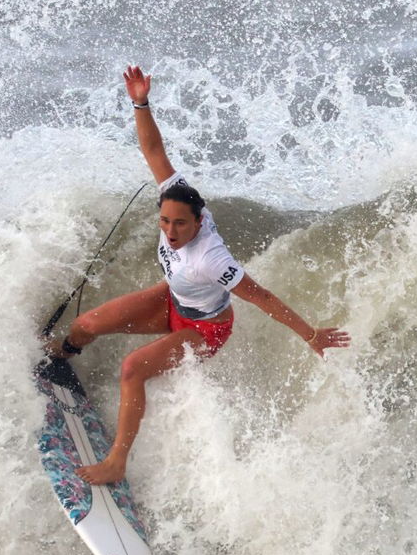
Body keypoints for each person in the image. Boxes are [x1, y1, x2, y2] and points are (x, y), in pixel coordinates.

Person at [45, 65, 350, 485]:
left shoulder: (211, 257)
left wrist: (310, 333)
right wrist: (140, 102)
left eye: (180, 225)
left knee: (133, 369)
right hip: (173, 300)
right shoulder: (176, 196)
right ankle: (63, 354)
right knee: (85, 324)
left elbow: (261, 297)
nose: (171, 232)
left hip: (205, 330)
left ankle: (116, 463)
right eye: (165, 222)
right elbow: (154, 150)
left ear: (198, 219)